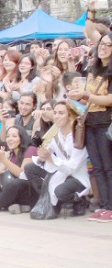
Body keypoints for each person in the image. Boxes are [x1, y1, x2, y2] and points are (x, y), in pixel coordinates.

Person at [73, 3, 112, 222]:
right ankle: (104, 205)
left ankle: (111, 207)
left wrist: (89, 97)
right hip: (90, 122)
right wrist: (90, 11)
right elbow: (89, 30)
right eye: (101, 44)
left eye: (108, 44)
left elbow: (110, 99)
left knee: (108, 167)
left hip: (105, 122)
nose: (103, 47)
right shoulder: (93, 67)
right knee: (97, 167)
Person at [25, 101, 91, 217]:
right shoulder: (55, 134)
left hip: (76, 176)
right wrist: (43, 156)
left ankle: (79, 201)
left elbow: (72, 167)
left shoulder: (79, 136)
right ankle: (47, 199)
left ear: (70, 116)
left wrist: (51, 159)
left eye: (61, 113)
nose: (56, 116)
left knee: (60, 191)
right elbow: (48, 151)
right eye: (55, 113)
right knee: (29, 168)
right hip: (60, 172)